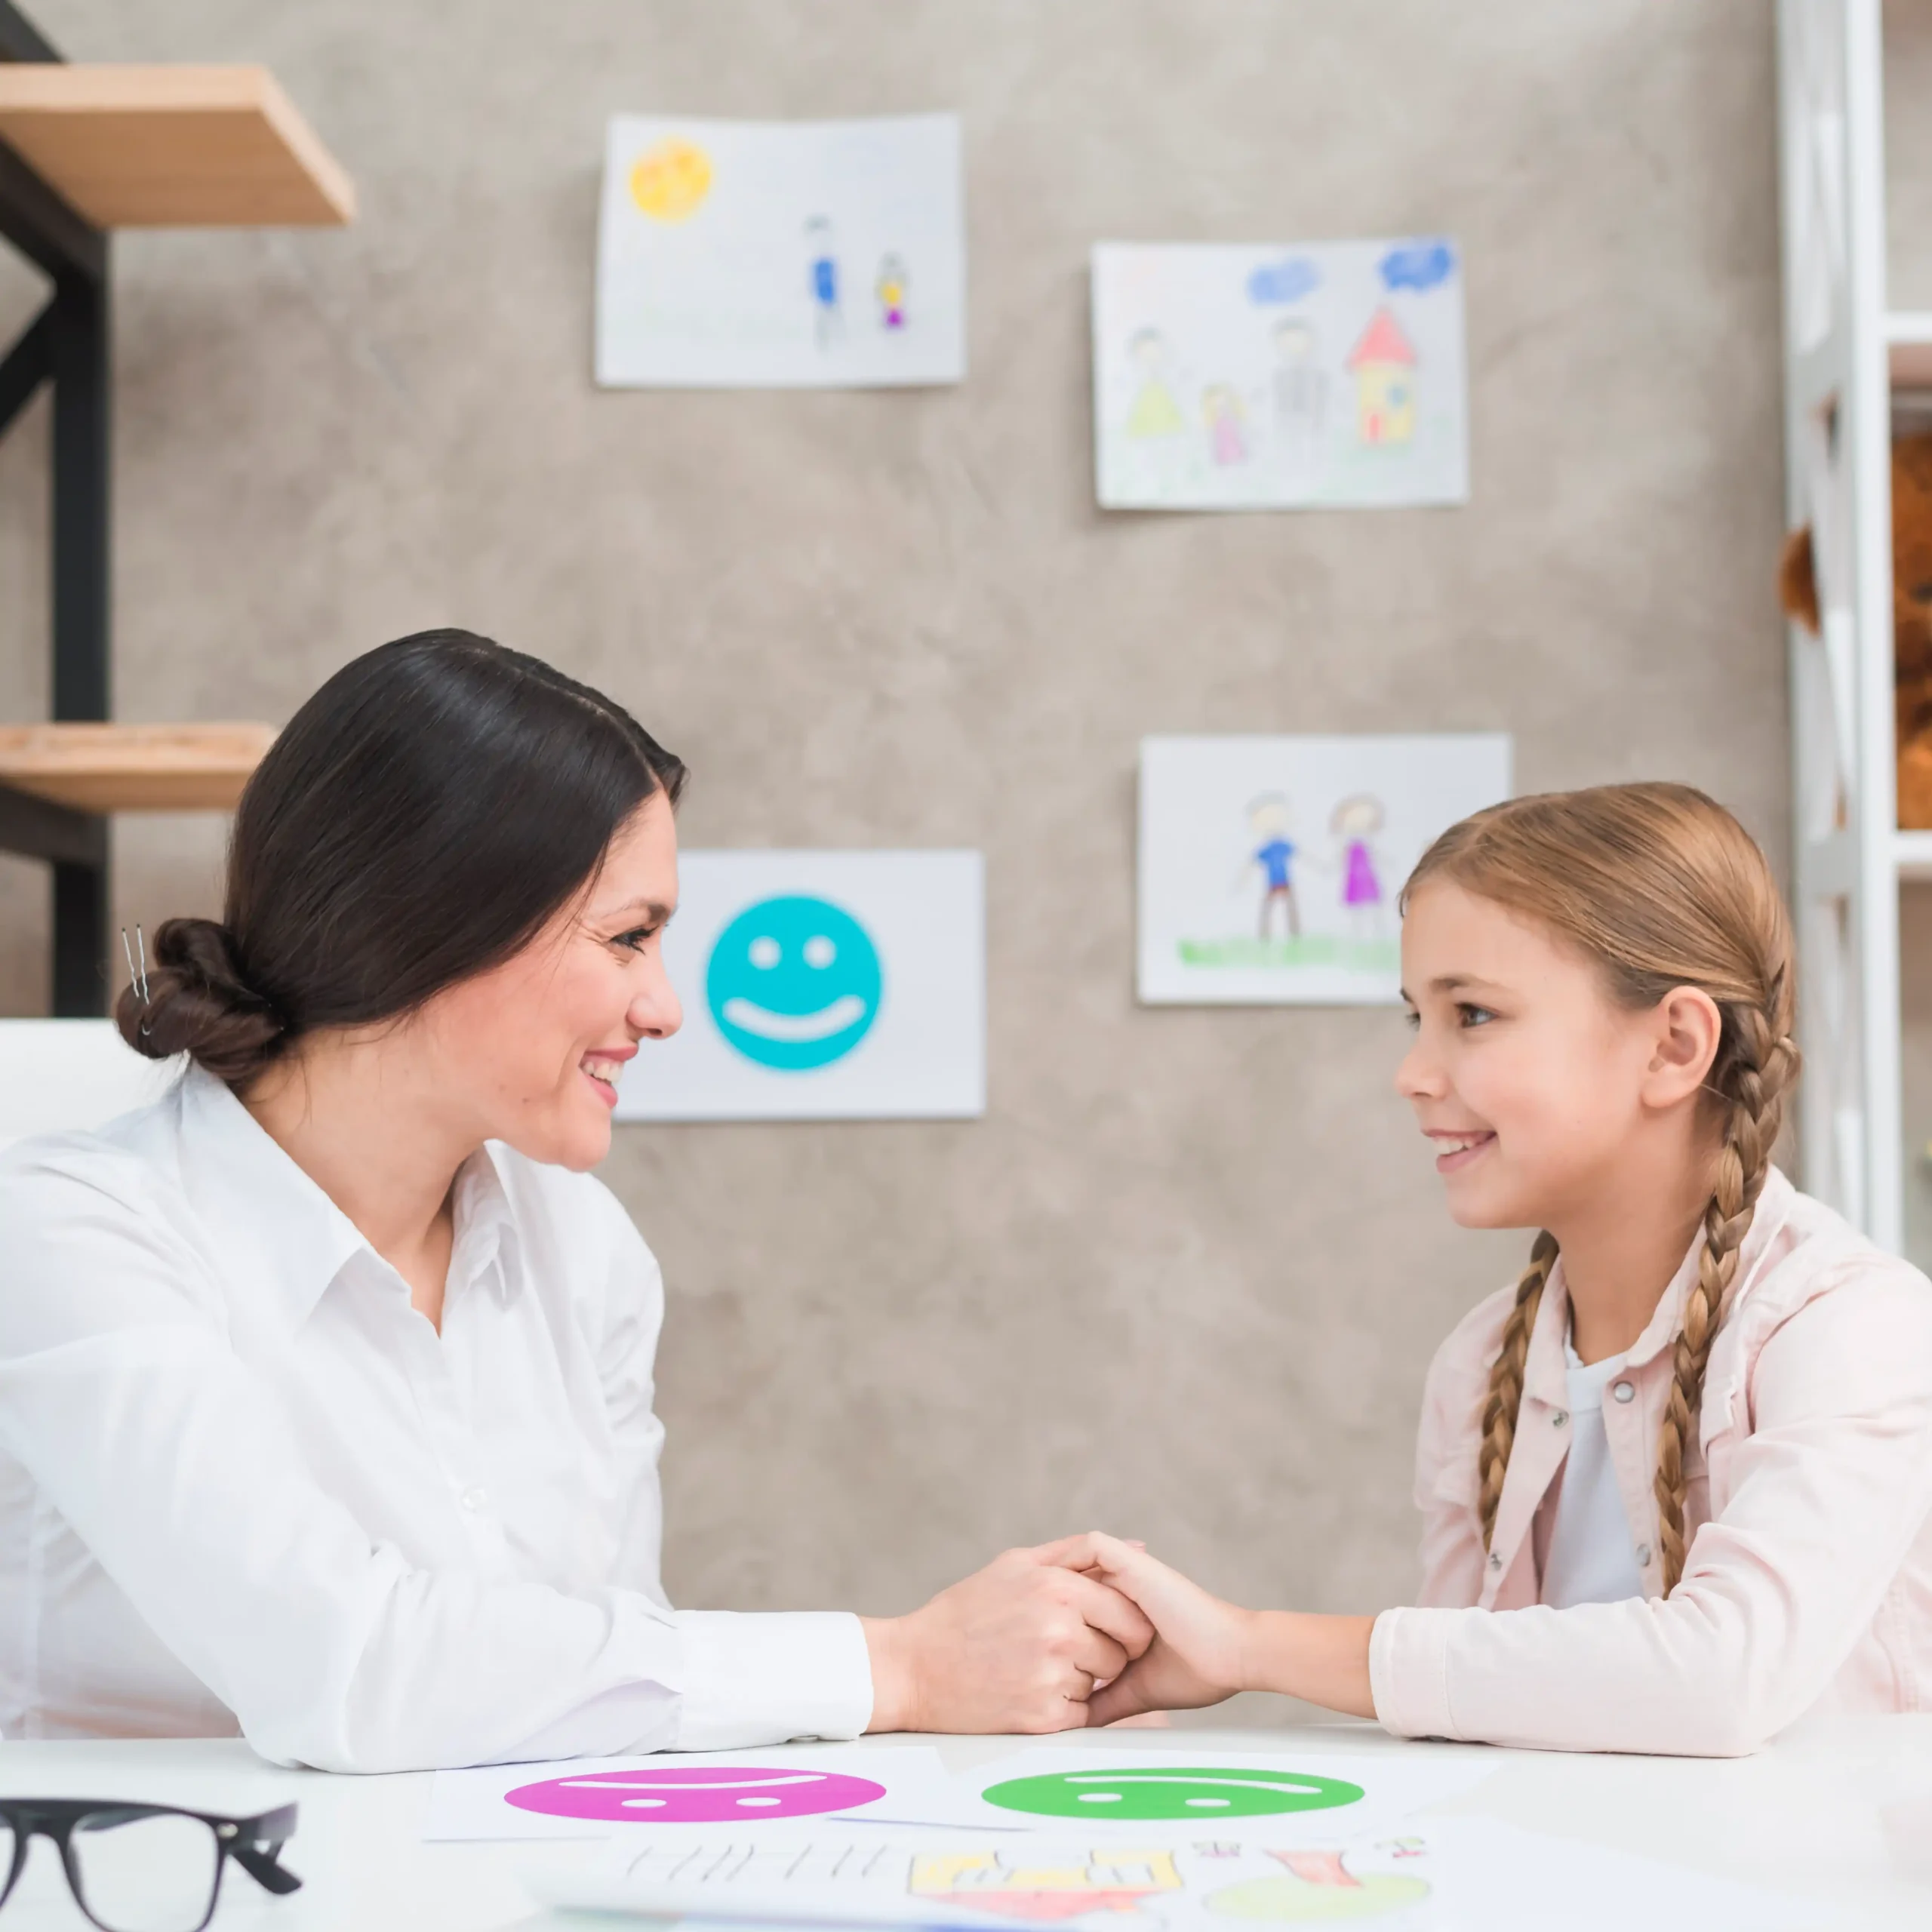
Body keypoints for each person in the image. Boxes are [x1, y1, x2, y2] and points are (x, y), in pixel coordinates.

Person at [0, 631, 1151, 1772]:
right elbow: (341, 1669)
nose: (665, 1008)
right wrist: (900, 1669)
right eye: (630, 938)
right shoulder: (77, 1238)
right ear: (428, 922)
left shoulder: (581, 1246)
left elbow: (608, 1699)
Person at [1074, 783, 1932, 1755]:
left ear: (1674, 1045)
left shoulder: (1853, 1326)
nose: (1413, 1074)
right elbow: (1469, 1724)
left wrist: (1248, 1648)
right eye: (1417, 1019)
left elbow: (1720, 1679)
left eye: (1473, 1014)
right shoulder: (1482, 1363)